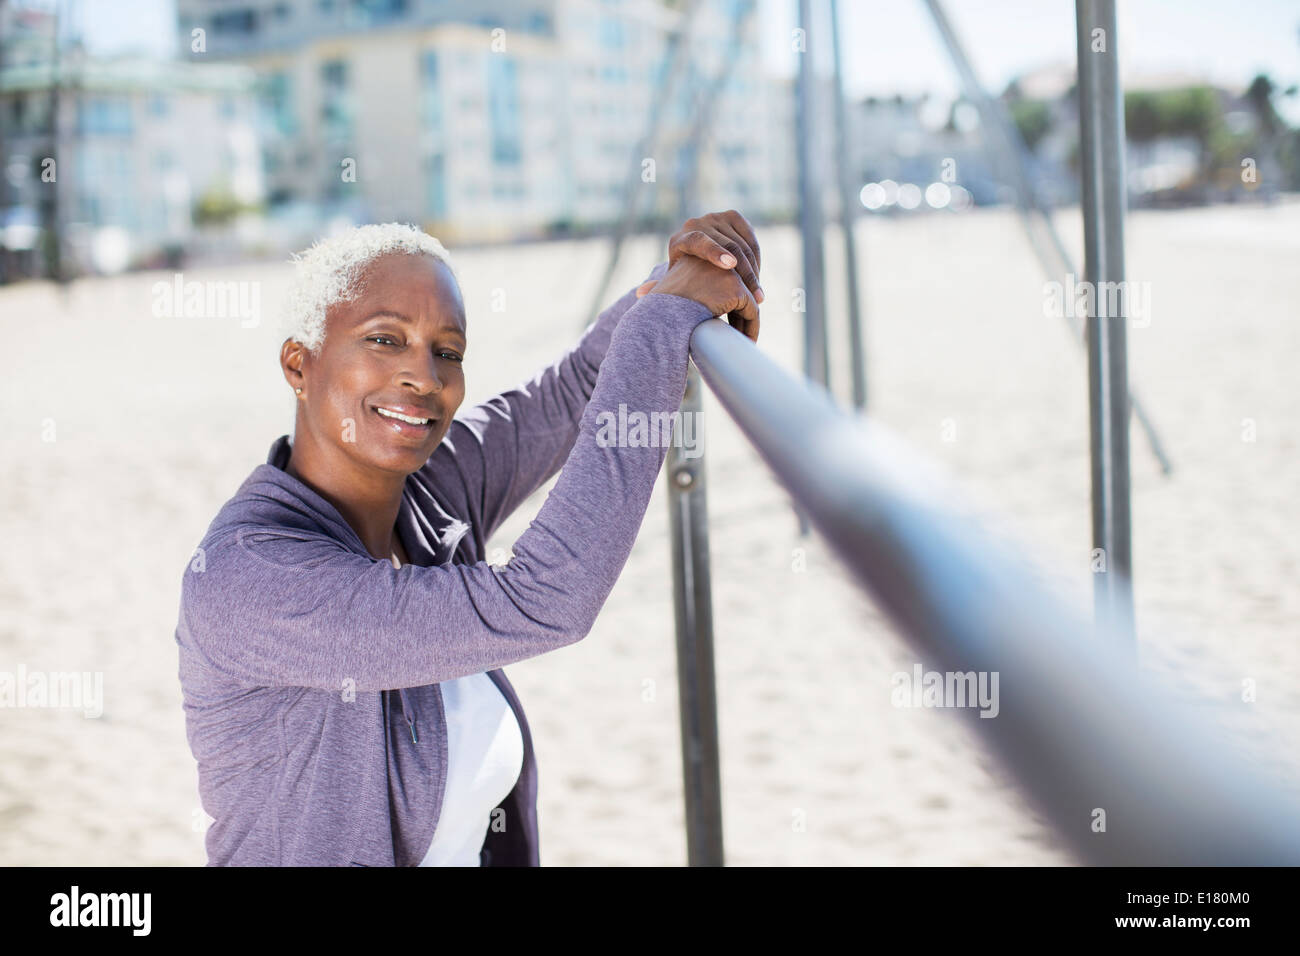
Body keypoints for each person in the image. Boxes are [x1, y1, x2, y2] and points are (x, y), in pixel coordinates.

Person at [175, 212, 763, 866]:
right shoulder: (250, 578)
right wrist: (665, 321)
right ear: (299, 363)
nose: (423, 378)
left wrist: (681, 276)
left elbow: (568, 394)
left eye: (446, 352)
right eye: (384, 340)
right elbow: (547, 599)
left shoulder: (426, 490)